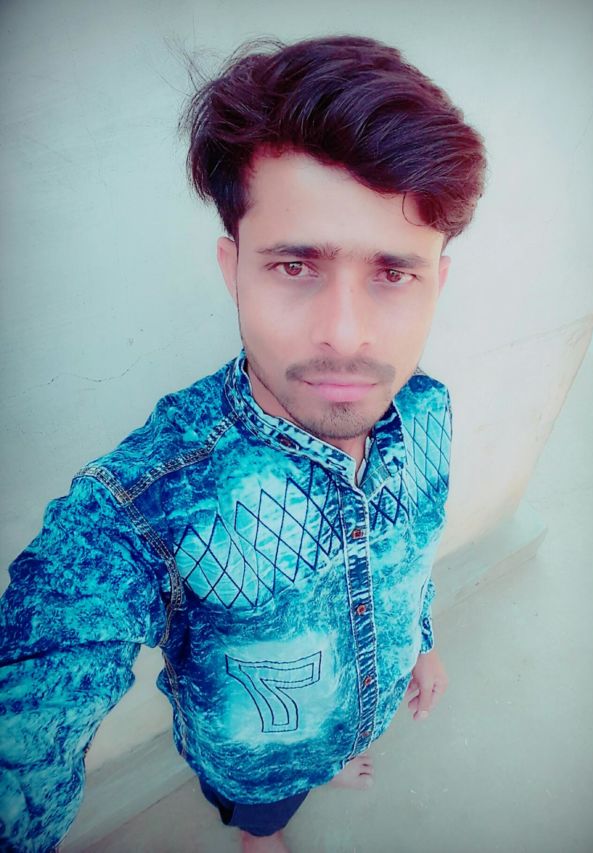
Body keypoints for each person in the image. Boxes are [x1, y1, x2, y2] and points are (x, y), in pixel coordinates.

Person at [0, 34, 486, 853]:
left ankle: (335, 756)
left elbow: (411, 556)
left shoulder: (428, 412)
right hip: (255, 767)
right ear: (233, 269)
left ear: (436, 282)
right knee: (265, 816)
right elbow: (36, 693)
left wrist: (421, 642)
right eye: (295, 265)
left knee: (337, 753)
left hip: (367, 708)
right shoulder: (150, 503)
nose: (345, 334)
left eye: (393, 272)